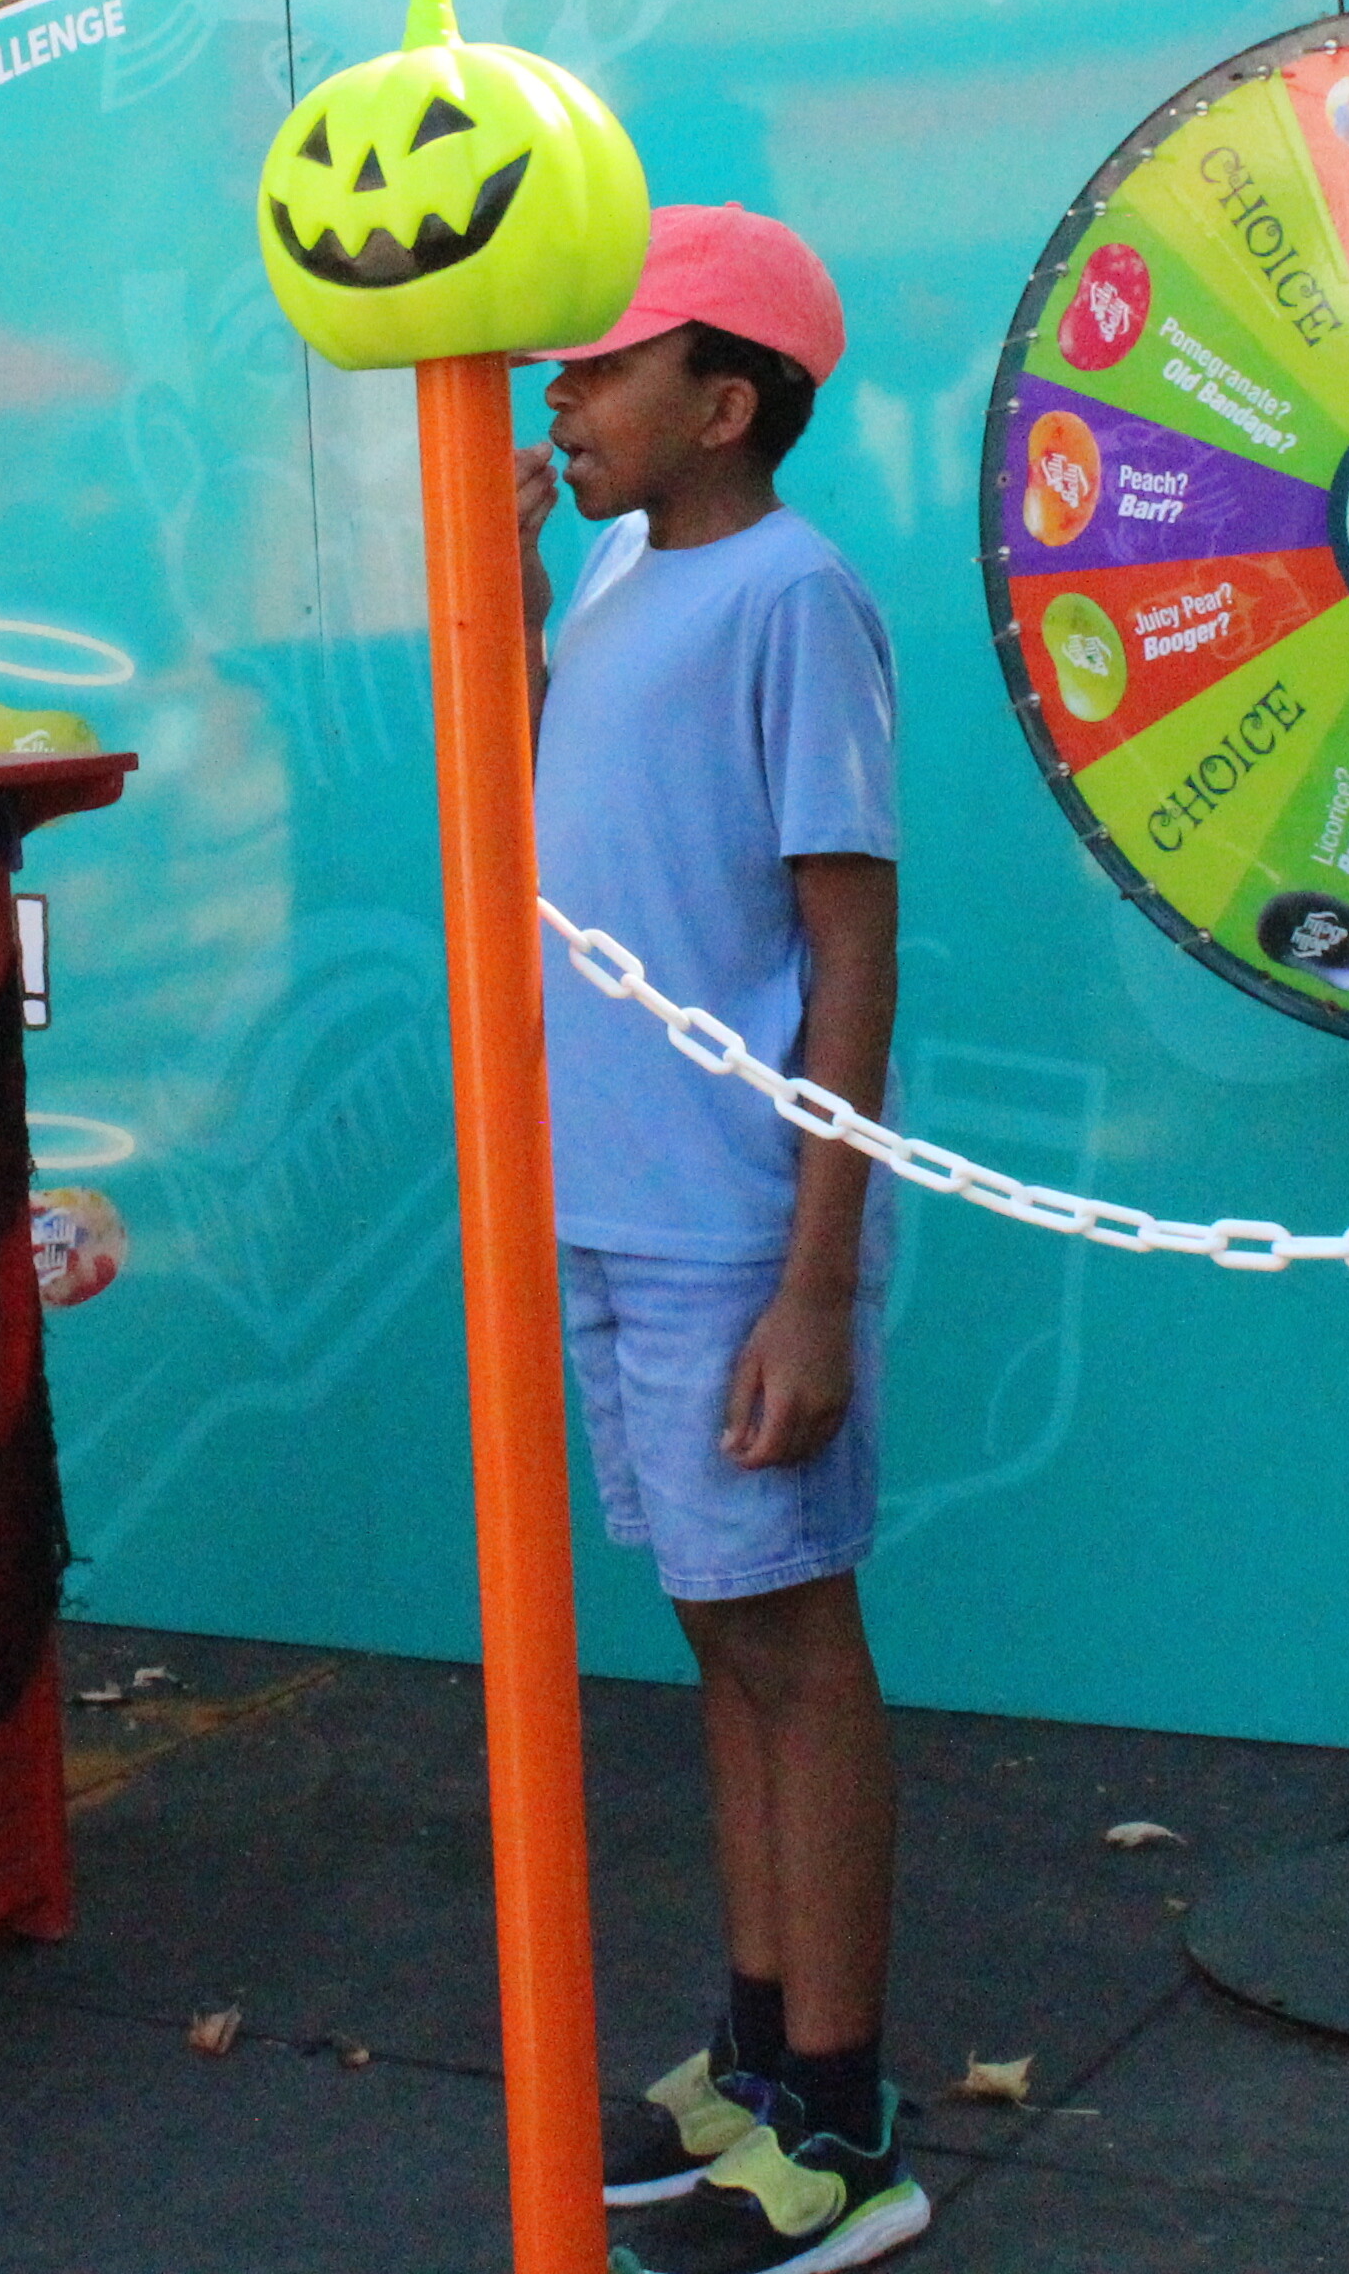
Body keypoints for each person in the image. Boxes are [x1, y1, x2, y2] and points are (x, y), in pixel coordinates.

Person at [510, 206, 919, 2274]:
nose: (558, 396)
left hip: (732, 1233)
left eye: (603, 366)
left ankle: (845, 2120)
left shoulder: (796, 594)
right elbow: (579, 800)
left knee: (790, 1645)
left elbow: (851, 943)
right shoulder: (611, 570)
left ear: (725, 402)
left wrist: (810, 1284)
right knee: (718, 1632)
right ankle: (763, 2055)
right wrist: (513, 596)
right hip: (608, 1209)